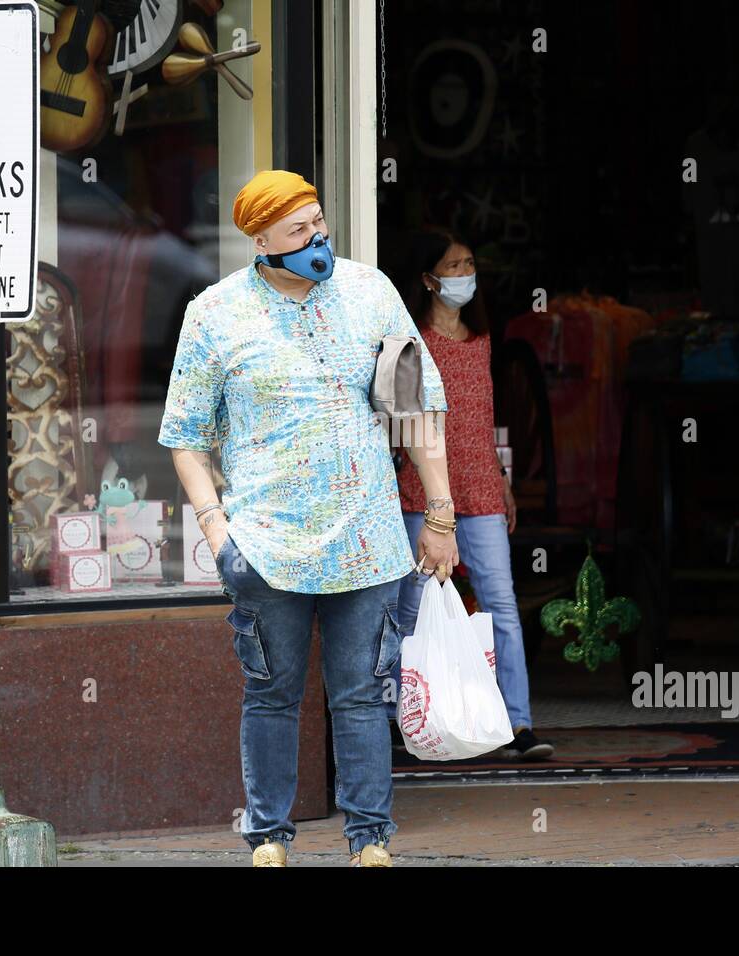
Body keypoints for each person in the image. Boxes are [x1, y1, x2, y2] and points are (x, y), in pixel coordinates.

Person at [158, 170, 458, 868]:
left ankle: (370, 838)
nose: (316, 238)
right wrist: (215, 529)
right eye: (298, 230)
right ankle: (268, 836)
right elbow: (184, 436)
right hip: (265, 545)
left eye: (318, 222)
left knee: (360, 695)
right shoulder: (214, 313)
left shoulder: (370, 293)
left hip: (368, 536)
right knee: (272, 693)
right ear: (260, 240)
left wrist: (439, 514)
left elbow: (416, 411)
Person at [386, 230, 554, 761]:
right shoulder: (411, 341)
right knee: (409, 611)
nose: (463, 274)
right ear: (429, 279)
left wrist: (502, 480)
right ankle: (405, 719)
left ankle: (516, 723)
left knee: (501, 603)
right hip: (421, 494)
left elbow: (483, 422)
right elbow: (402, 423)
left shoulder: (482, 339)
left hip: (481, 489)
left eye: (468, 264)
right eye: (452, 266)